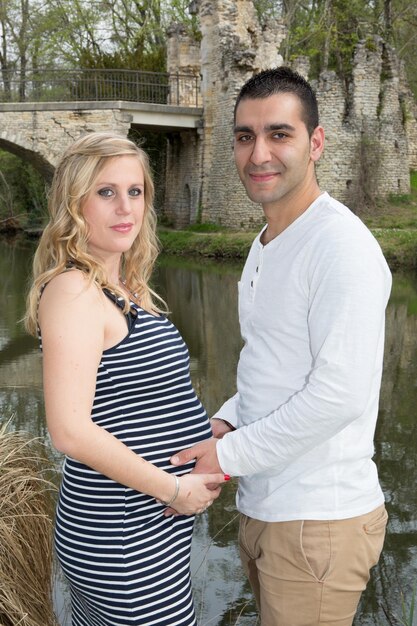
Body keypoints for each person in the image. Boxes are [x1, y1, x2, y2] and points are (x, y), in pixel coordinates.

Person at [170, 67, 392, 626]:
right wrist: (225, 422)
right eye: (245, 137)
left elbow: (338, 395)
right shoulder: (267, 241)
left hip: (318, 521)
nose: (258, 153)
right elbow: (270, 367)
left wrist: (226, 457)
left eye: (279, 134)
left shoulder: (341, 248)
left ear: (315, 143)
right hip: (267, 507)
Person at [25, 131, 228, 626]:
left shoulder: (123, 287)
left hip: (151, 526)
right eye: (106, 192)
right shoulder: (73, 289)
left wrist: (215, 432)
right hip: (121, 531)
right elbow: (69, 431)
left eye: (134, 191)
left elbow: (148, 402)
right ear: (75, 202)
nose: (125, 208)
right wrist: (174, 491)